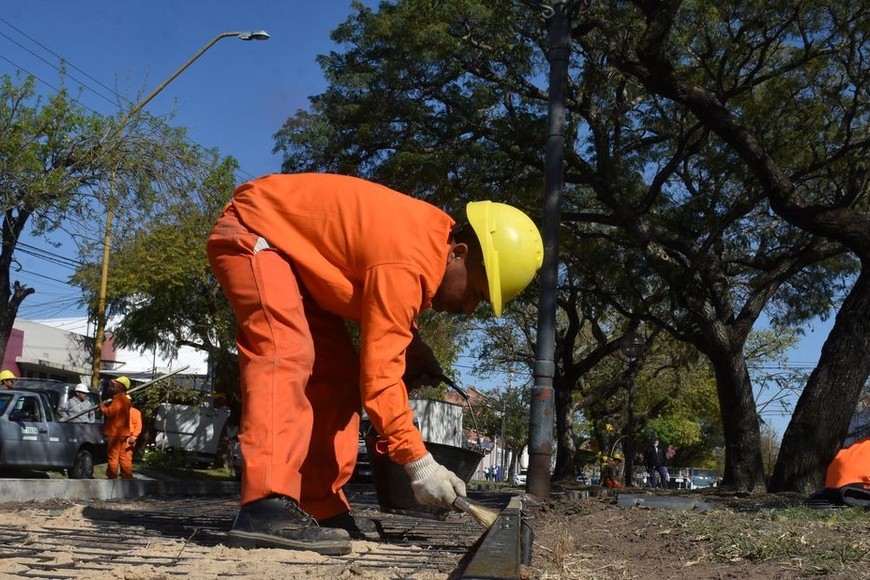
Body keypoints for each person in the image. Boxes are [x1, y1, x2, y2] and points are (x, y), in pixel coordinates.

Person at [207, 173, 543, 555]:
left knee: (338, 377)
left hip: (293, 260)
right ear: (460, 253)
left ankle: (320, 505)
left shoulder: (422, 248)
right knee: (286, 352)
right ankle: (264, 505)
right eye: (477, 294)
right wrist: (419, 463)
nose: (468, 308)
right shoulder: (408, 258)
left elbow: (387, 324)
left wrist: (413, 348)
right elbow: (380, 380)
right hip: (256, 233)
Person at [100, 376, 133, 479]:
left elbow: (110, 413)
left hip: (115, 433)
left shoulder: (119, 399)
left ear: (121, 387)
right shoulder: (126, 400)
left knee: (113, 456)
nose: (113, 386)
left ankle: (112, 476)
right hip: (124, 433)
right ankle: (127, 476)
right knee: (123, 457)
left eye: (115, 385)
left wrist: (102, 407)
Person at [122, 398, 143, 479]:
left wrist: (134, 436)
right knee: (119, 457)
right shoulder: (120, 411)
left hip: (129, 437)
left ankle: (127, 475)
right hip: (120, 437)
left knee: (127, 457)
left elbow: (138, 426)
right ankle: (121, 475)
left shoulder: (136, 412)